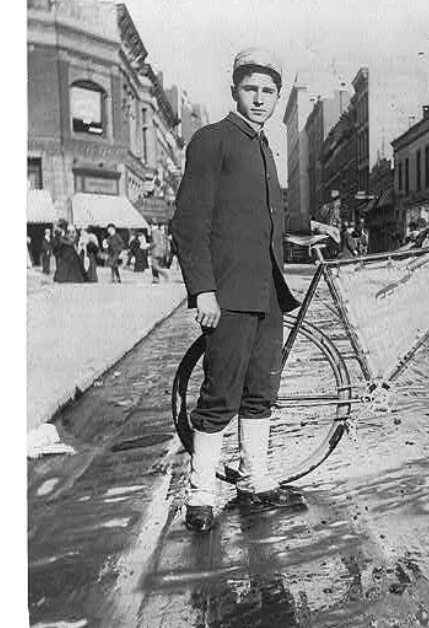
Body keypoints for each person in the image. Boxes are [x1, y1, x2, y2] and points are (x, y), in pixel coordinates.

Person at [170, 47, 303, 532]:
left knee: (260, 392)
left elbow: (263, 219)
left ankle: (255, 480)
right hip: (227, 295)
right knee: (220, 394)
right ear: (234, 90)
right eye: (252, 88)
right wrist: (203, 290)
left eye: (269, 91)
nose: (261, 98)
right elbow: (189, 222)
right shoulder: (213, 140)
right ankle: (201, 493)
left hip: (268, 293)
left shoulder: (264, 145)